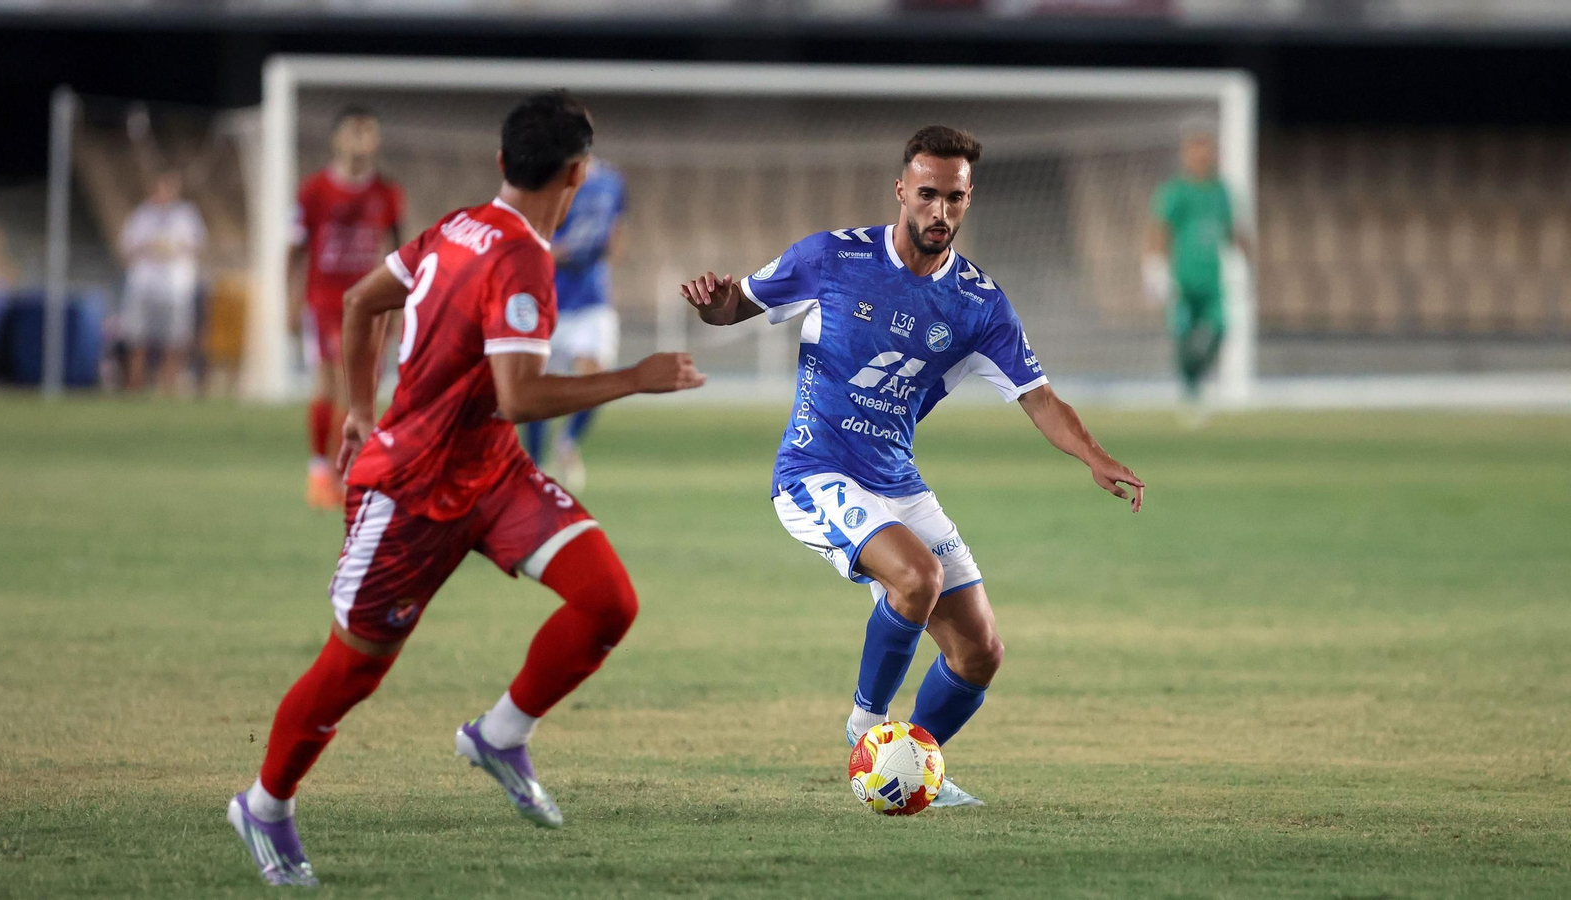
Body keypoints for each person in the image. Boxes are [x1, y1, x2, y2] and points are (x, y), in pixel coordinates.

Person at [228, 90, 705, 886]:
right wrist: (635, 377)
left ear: (501, 162)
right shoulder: (521, 259)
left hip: (492, 472)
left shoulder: (456, 224)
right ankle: (265, 805)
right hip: (411, 490)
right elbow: (519, 396)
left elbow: (360, 302)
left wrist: (355, 409)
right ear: (579, 174)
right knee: (356, 667)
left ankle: (501, 734)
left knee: (607, 601)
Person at [681, 125, 1144, 809]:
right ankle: (867, 728)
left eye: (954, 199)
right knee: (917, 577)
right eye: (927, 195)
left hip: (897, 481)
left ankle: (907, 768)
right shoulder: (830, 258)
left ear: (968, 198)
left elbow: (1038, 397)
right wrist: (713, 304)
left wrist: (1096, 457)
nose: (940, 212)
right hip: (814, 472)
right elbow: (736, 306)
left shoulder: (979, 304)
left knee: (980, 652)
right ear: (901, 190)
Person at [291, 106, 404, 509]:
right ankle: (320, 471)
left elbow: (397, 254)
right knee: (332, 380)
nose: (361, 141)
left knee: (365, 388)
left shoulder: (387, 193)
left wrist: (397, 310)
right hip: (325, 300)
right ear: (338, 138)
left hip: (370, 303)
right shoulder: (314, 190)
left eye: (368, 133)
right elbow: (296, 249)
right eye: (354, 133)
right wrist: (291, 301)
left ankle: (346, 474)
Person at [522, 157, 626, 490]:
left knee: (597, 380)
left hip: (592, 299)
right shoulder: (544, 180)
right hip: (549, 299)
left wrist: (600, 252)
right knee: (535, 393)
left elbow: (615, 231)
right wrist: (557, 253)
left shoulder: (611, 182)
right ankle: (534, 468)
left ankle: (567, 441)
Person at [1142, 124, 1254, 420]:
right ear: (1186, 154)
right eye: (1196, 150)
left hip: (1213, 279)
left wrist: (1247, 265)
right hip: (1183, 278)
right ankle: (1190, 391)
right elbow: (1159, 230)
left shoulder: (1221, 193)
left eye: (1207, 150)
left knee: (1220, 329)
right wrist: (1154, 269)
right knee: (1182, 334)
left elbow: (1235, 231)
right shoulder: (1176, 192)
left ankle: (1195, 381)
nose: (1202, 157)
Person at [118, 170, 205, 392]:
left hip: (175, 287)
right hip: (144, 285)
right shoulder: (141, 215)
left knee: (174, 340)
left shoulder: (186, 215)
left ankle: (168, 386)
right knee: (138, 339)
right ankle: (134, 384)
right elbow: (127, 248)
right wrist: (150, 246)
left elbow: (198, 244)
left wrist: (175, 247)